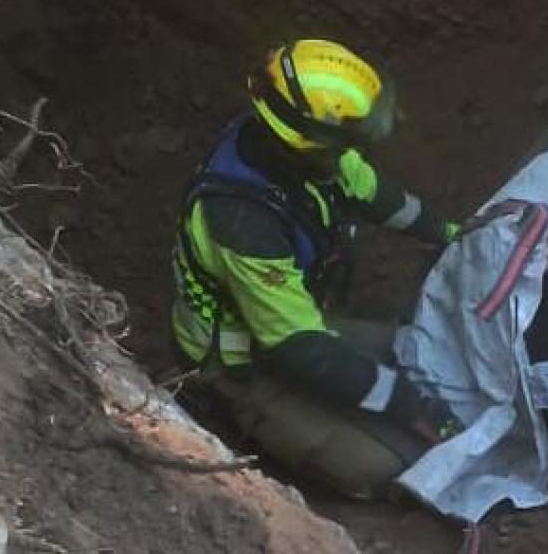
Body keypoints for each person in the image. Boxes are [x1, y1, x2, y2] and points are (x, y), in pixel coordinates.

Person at [170, 39, 461, 499]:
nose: (351, 156)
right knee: (390, 465)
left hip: (295, 321)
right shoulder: (242, 220)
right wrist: (404, 402)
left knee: (422, 348)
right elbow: (298, 349)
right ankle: (223, 408)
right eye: (346, 144)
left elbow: (379, 197)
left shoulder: (305, 153)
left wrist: (452, 234)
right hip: (240, 360)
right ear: (304, 145)